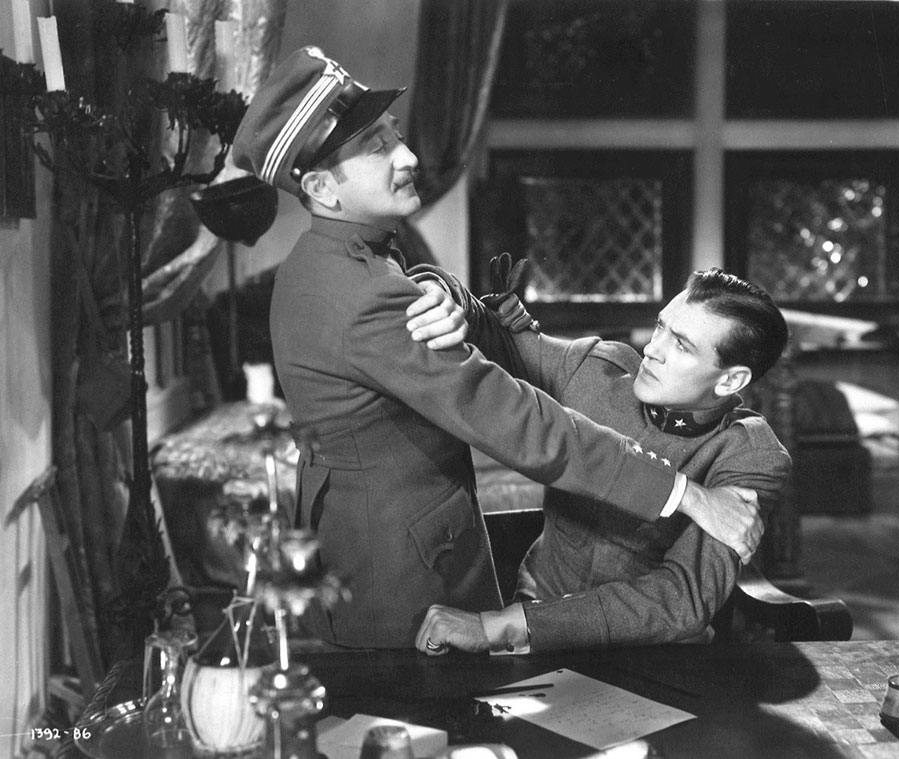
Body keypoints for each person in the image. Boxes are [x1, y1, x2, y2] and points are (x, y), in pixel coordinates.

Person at [231, 46, 763, 650]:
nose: (408, 157)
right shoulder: (365, 294)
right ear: (322, 188)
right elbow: (520, 421)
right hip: (399, 576)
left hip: (358, 546)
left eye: (395, 134)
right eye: (377, 149)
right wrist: (689, 495)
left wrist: (441, 289)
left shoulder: (319, 264)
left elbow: (402, 305)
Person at [408, 263, 791, 653]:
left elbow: (680, 599)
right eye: (660, 327)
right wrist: (440, 293)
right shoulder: (597, 371)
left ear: (730, 380)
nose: (652, 350)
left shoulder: (749, 453)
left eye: (681, 345)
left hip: (649, 655)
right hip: (529, 628)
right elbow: (488, 331)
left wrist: (505, 626)